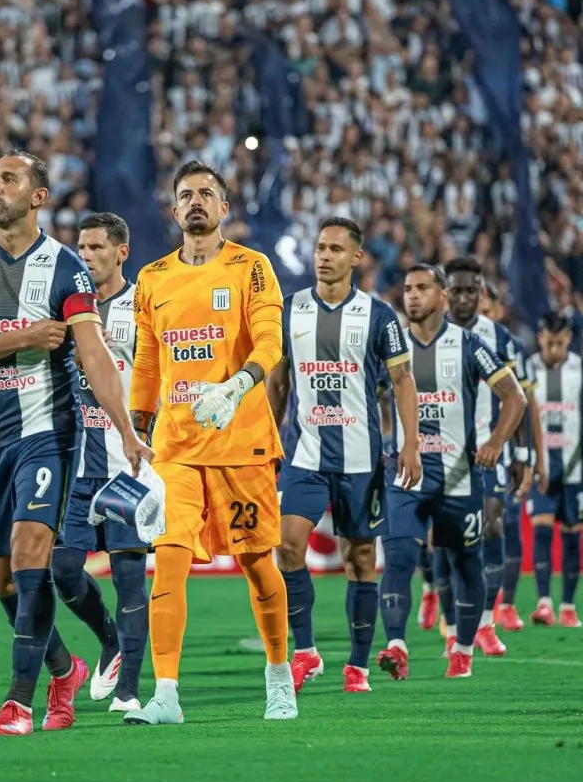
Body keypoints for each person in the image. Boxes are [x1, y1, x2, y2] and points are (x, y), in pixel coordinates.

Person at [0, 152, 152, 736]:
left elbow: (95, 356)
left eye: (9, 179)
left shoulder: (65, 268)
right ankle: (64, 669)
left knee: (33, 555)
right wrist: (26, 336)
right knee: (3, 581)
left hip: (46, 433)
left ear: (38, 197)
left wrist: (127, 431)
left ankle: (18, 704)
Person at [124, 159, 297, 725]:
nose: (195, 201)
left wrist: (236, 386)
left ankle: (279, 677)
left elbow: (270, 342)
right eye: (185, 195)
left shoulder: (252, 267)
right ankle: (166, 694)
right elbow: (147, 362)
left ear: (224, 207)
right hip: (175, 446)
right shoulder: (152, 278)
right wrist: (135, 429)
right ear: (174, 210)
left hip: (241, 441)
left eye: (206, 193)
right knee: (168, 563)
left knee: (257, 563)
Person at [267, 217, 422, 694]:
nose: (324, 256)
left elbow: (402, 381)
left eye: (335, 249)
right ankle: (306, 652)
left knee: (359, 559)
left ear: (356, 257)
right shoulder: (289, 309)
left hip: (361, 459)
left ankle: (357, 665)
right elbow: (278, 382)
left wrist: (410, 444)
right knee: (287, 547)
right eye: (320, 247)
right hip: (305, 455)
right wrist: (269, 439)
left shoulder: (379, 316)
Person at [376, 265, 526, 680]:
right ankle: (396, 646)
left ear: (442, 295)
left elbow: (515, 397)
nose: (412, 295)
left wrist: (496, 442)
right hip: (405, 475)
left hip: (458, 477)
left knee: (464, 563)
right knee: (399, 556)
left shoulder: (469, 344)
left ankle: (463, 649)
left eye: (423, 288)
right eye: (408, 288)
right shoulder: (391, 345)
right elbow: (367, 395)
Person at [52, 212, 149, 713]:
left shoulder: (142, 306)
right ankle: (109, 640)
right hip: (81, 464)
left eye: (96, 248)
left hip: (127, 464)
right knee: (64, 569)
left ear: (121, 252)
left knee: (129, 577)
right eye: (82, 248)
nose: (86, 256)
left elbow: (161, 375)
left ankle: (129, 688)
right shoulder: (70, 307)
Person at [444, 257, 533, 656]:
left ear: (482, 293)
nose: (465, 298)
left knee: (493, 524)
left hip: (488, 447)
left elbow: (519, 398)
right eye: (457, 290)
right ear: (445, 293)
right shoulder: (429, 334)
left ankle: (484, 622)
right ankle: (452, 624)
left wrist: (522, 453)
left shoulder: (499, 338)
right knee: (447, 539)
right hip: (442, 452)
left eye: (472, 291)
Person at [480, 284, 543, 632]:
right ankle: (451, 602)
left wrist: (527, 456)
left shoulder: (509, 344)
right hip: (462, 451)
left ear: (498, 309)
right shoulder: (452, 339)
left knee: (506, 523)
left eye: (486, 308)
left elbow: (525, 406)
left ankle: (504, 604)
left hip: (503, 452)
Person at [526, 312, 583, 628]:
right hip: (542, 470)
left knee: (573, 536)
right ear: (540, 338)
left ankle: (568, 607)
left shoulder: (579, 370)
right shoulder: (528, 369)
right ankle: (544, 603)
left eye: (560, 343)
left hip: (576, 471)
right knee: (542, 530)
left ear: (569, 340)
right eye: (549, 343)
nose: (554, 350)